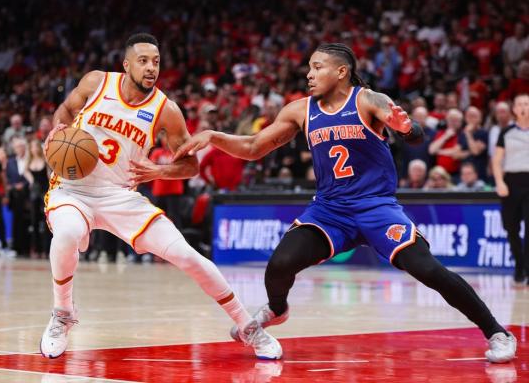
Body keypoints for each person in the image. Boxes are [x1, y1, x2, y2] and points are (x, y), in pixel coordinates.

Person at [175, 43, 517, 363]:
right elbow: (253, 148)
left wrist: (406, 128)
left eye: (317, 67)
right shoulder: (300, 110)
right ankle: (277, 309)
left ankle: (497, 332)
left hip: (376, 207)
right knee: (280, 263)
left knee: (428, 270)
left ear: (341, 72)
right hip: (330, 210)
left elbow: (414, 134)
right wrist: (215, 137)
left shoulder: (368, 100)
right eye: (309, 68)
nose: (309, 74)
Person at [40, 33, 280, 360]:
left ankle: (247, 326)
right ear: (126, 65)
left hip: (121, 196)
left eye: (155, 62)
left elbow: (191, 165)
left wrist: (160, 171)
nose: (151, 68)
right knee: (67, 233)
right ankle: (63, 314)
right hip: (74, 189)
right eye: (143, 61)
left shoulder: (166, 110)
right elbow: (66, 111)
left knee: (188, 256)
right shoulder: (97, 82)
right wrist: (57, 131)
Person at [492, 94, 529, 285]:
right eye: (520, 104)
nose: (523, 107)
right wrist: (500, 182)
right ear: (514, 109)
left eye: (526, 104)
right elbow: (497, 160)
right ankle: (519, 267)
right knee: (511, 228)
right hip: (511, 182)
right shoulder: (506, 132)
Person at [24, 139, 51, 258]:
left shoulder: (45, 161)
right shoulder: (28, 162)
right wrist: (30, 180)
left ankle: (46, 249)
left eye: (35, 147)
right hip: (34, 193)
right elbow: (26, 173)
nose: (34, 149)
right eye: (32, 147)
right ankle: (36, 248)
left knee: (46, 222)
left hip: (45, 192)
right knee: (34, 221)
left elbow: (49, 176)